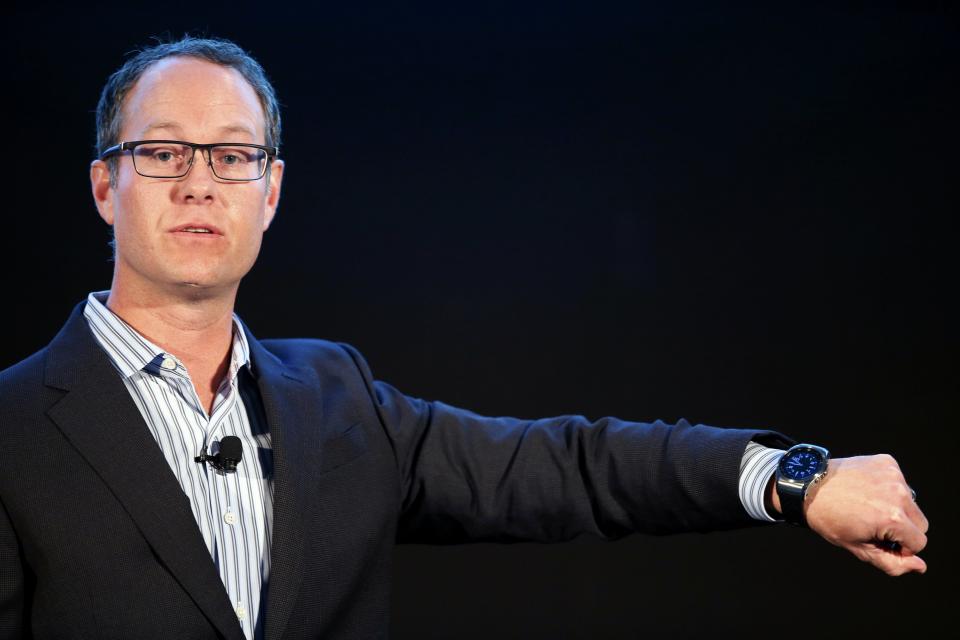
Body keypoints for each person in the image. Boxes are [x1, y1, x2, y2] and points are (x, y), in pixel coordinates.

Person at [0, 37, 929, 640]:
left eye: (234, 156)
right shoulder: (13, 427)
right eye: (162, 152)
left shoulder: (338, 399)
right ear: (103, 186)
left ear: (270, 193)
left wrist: (791, 477)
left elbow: (571, 467)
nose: (199, 182)